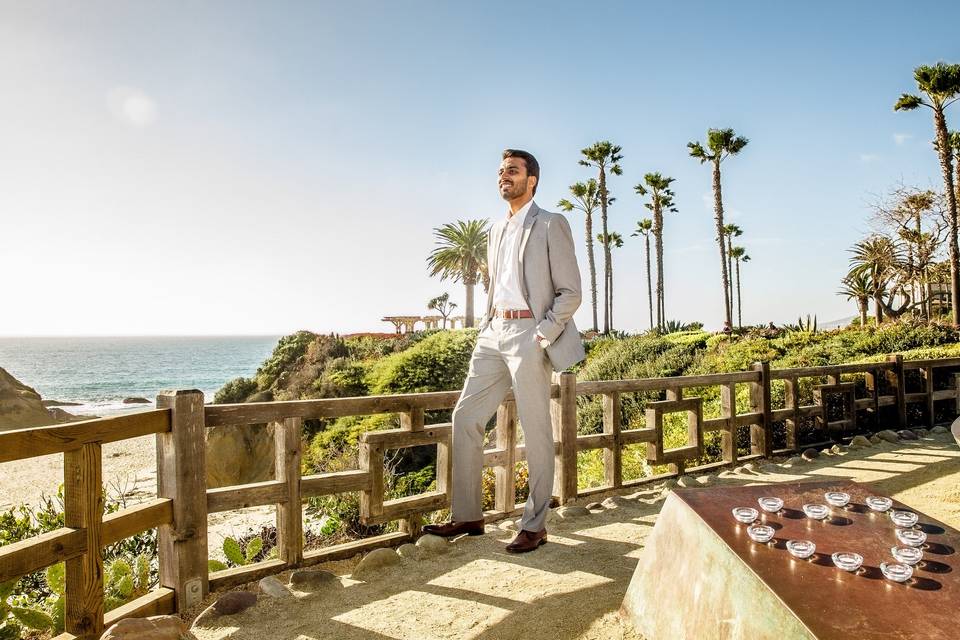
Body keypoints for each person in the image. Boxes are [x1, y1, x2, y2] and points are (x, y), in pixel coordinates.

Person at [423, 149, 585, 553]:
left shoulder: (551, 223)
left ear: (532, 180)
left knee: (536, 428)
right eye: (500, 171)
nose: (503, 177)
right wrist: (487, 326)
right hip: (493, 331)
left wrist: (543, 334)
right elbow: (497, 285)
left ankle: (535, 524)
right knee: (466, 415)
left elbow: (571, 291)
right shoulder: (495, 230)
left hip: (530, 331)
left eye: (512, 171)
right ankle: (468, 516)